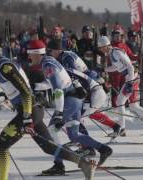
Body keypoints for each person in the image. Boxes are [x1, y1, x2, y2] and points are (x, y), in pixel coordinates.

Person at [0, 38, 95, 180]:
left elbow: (26, 92)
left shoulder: (5, 66)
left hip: (30, 110)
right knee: (49, 147)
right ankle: (84, 163)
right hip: (32, 111)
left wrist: (26, 117)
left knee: (1, 146)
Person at [27, 40, 112, 176]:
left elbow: (58, 90)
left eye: (29, 54)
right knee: (74, 134)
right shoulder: (49, 61)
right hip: (75, 100)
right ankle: (103, 149)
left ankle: (58, 165)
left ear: (36, 54)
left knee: (51, 131)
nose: (29, 58)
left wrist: (59, 113)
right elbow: (56, 82)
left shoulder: (48, 64)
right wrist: (36, 87)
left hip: (69, 101)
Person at [47, 39, 121, 137]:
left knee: (77, 114)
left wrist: (78, 90)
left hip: (89, 84)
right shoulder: (66, 55)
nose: (50, 54)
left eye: (50, 51)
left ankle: (82, 140)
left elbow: (73, 75)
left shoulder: (65, 57)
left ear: (57, 50)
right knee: (90, 112)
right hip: (90, 82)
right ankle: (115, 126)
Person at [98, 36, 143, 135]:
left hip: (132, 78)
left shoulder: (115, 52)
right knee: (133, 105)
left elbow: (130, 66)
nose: (101, 50)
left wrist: (130, 82)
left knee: (119, 101)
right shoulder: (111, 53)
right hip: (132, 77)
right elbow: (116, 67)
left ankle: (121, 129)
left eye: (101, 47)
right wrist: (105, 70)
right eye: (100, 48)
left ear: (106, 46)